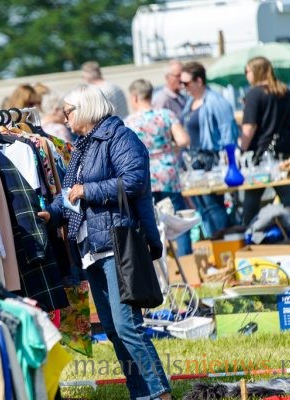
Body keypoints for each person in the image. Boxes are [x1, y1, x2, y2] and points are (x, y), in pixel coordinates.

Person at [38, 85, 171, 399]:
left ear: (85, 109)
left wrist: (88, 190)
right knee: (112, 328)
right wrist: (50, 214)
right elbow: (69, 194)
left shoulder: (120, 137)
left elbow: (133, 182)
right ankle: (141, 393)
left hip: (116, 243)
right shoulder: (83, 146)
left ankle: (160, 393)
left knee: (127, 326)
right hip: (91, 247)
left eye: (68, 112)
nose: (64, 118)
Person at [126, 79, 192, 256]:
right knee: (177, 220)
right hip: (168, 173)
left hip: (144, 177)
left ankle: (158, 261)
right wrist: (170, 147)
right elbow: (184, 140)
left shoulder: (129, 122)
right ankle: (186, 259)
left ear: (135, 97)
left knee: (152, 223)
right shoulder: (166, 115)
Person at [240, 56, 290, 225]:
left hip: (262, 154)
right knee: (287, 194)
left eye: (247, 71)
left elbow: (249, 127)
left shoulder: (254, 94)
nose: (246, 75)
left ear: (256, 71)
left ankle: (249, 230)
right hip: (286, 151)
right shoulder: (286, 92)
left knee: (252, 196)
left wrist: (241, 149)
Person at [180, 61, 238, 237]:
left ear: (199, 81)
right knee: (202, 207)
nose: (183, 87)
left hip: (211, 159)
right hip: (193, 161)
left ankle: (223, 241)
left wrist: (230, 159)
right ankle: (214, 242)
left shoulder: (216, 101)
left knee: (213, 204)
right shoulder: (190, 102)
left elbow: (227, 130)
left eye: (186, 83)